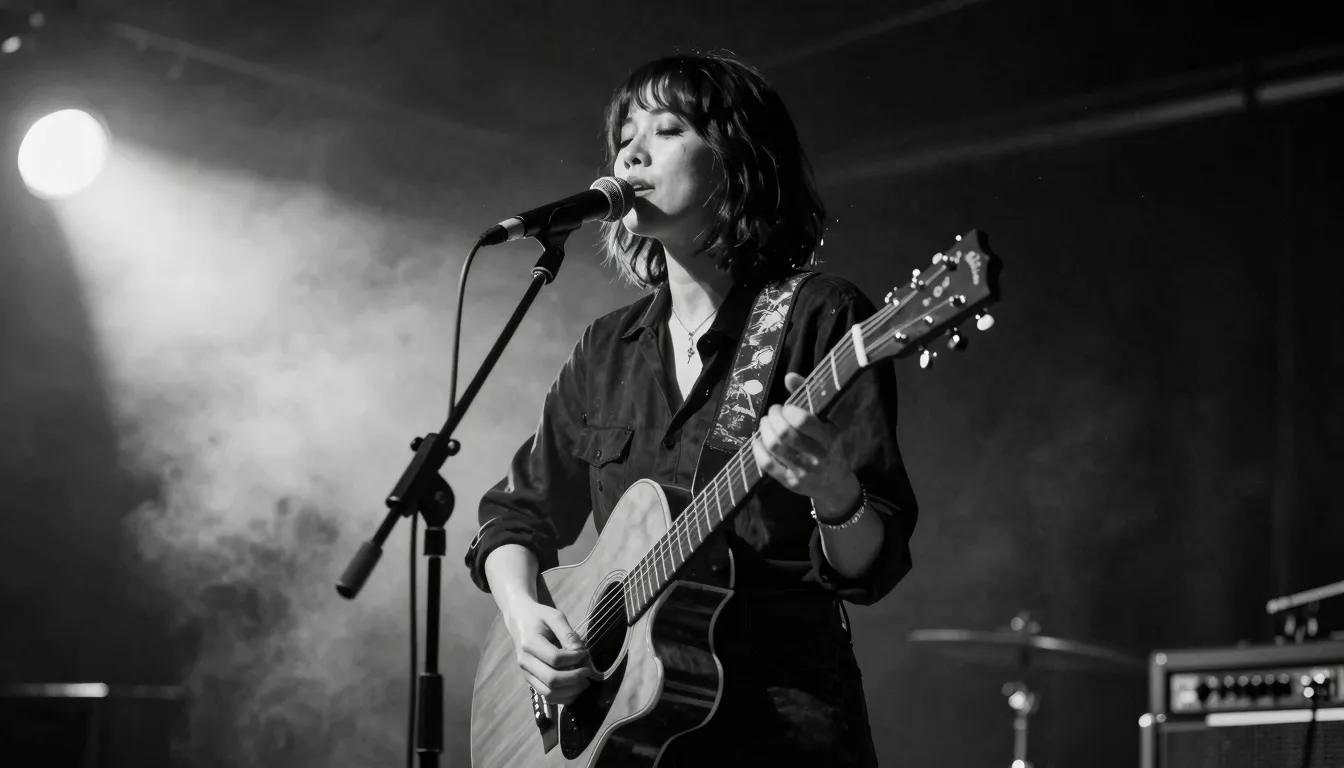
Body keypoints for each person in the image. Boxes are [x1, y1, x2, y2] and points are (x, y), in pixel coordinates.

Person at [464, 52, 918, 767]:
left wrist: (833, 491)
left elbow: (873, 567)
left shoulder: (819, 316)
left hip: (781, 732)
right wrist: (528, 622)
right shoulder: (606, 349)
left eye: (668, 129)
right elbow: (514, 517)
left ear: (738, 159)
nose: (632, 153)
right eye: (625, 138)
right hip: (626, 743)